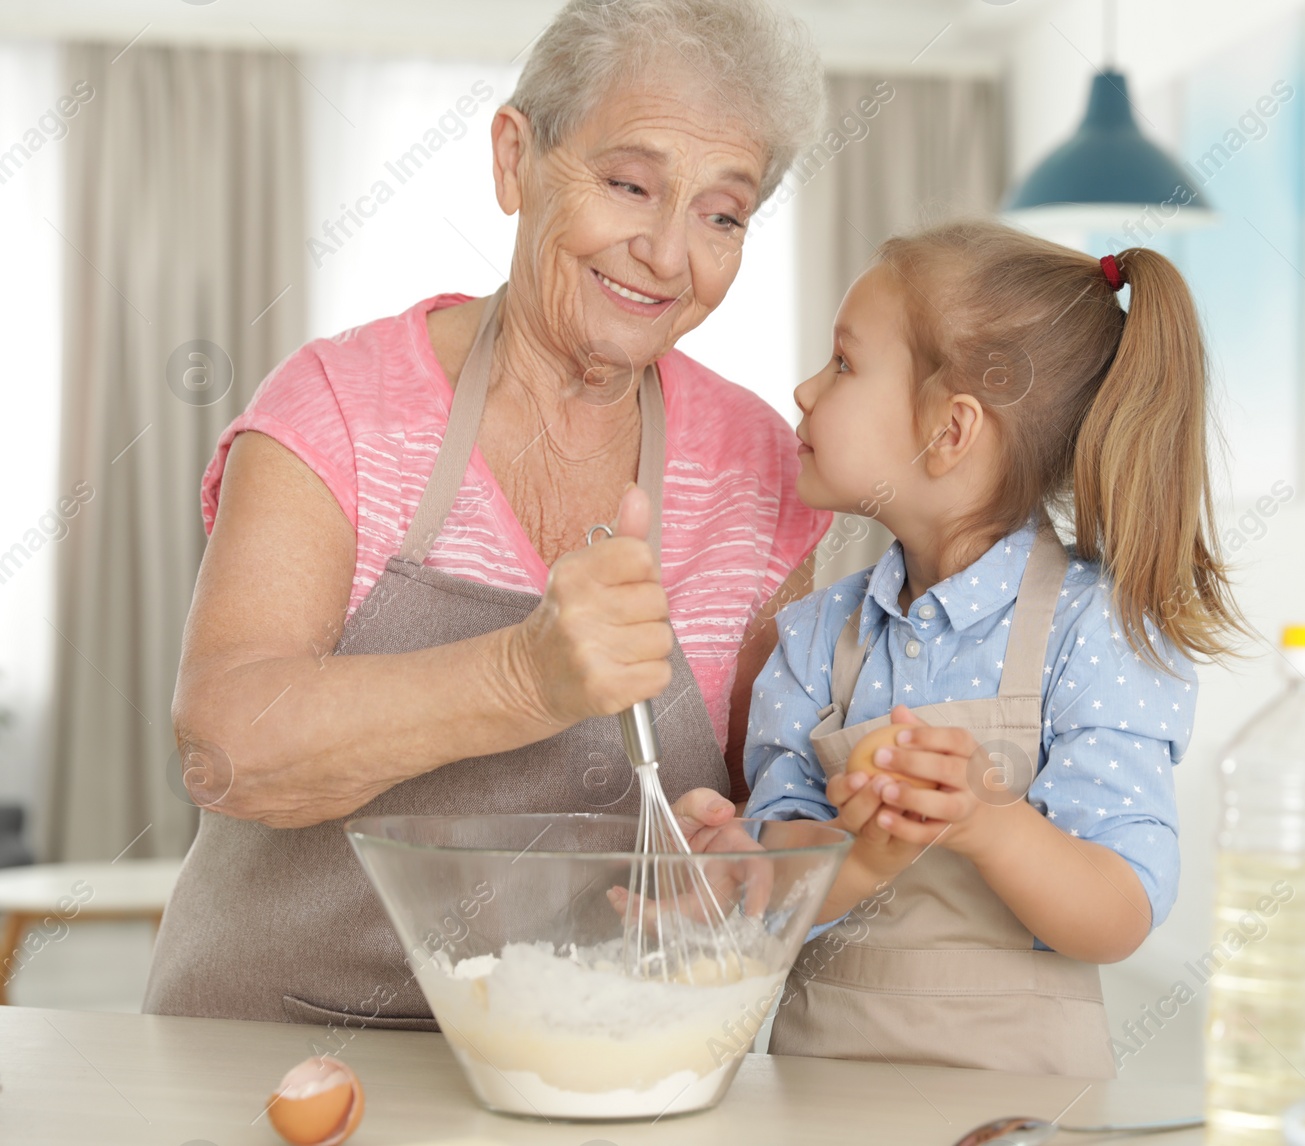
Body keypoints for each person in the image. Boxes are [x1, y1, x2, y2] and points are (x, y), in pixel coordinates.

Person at [144, 0, 830, 1027]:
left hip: (586, 1064)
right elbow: (226, 751)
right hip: (274, 1050)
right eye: (630, 185)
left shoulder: (760, 470)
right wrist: (525, 677)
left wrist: (743, 845)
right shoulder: (337, 409)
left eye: (721, 214)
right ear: (515, 158)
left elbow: (761, 803)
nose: (668, 253)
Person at [743, 219, 1247, 1075]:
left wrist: (989, 825)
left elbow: (1120, 909)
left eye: (843, 364)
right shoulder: (814, 635)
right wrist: (863, 856)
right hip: (816, 1100)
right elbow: (759, 892)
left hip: (1025, 1111)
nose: (802, 390)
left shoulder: (1097, 631)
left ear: (951, 431)